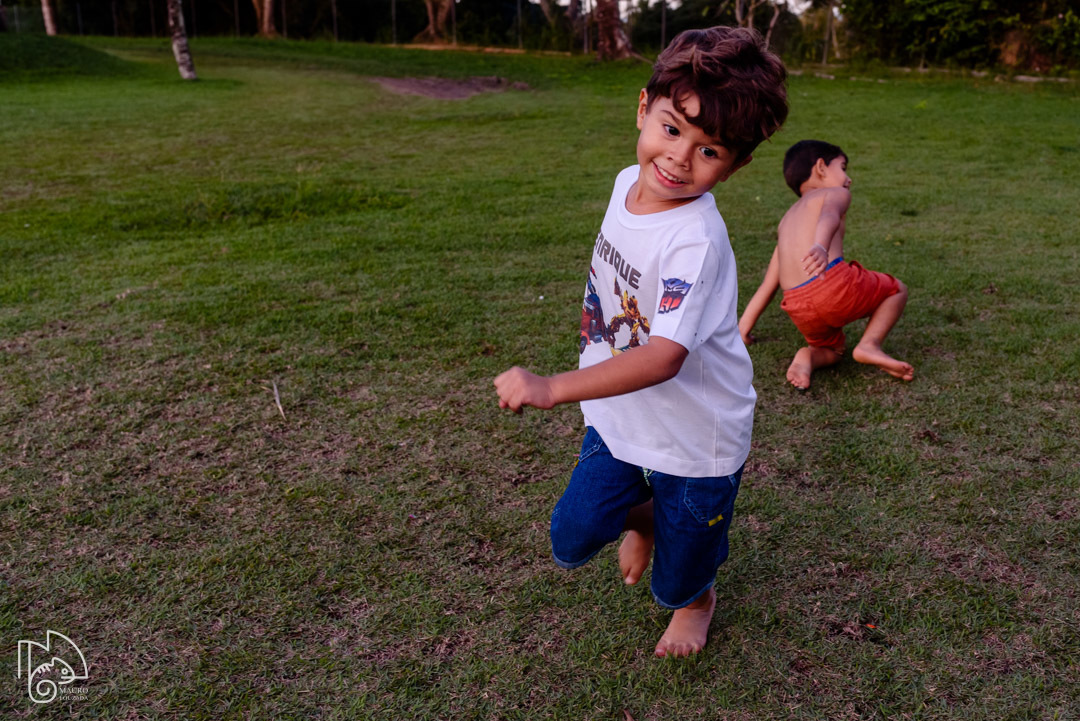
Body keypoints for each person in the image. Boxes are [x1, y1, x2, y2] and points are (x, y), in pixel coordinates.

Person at [493, 26, 788, 658]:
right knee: (574, 532)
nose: (680, 159)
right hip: (619, 413)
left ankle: (697, 599)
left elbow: (663, 356)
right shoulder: (628, 179)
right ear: (643, 108)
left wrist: (551, 389)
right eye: (673, 128)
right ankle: (647, 518)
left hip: (696, 435)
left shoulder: (696, 239)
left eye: (710, 151)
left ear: (737, 165)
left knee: (680, 572)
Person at [738, 140, 913, 389]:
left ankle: (806, 357)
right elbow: (829, 214)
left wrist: (743, 329)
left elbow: (769, 283)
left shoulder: (786, 221)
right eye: (843, 167)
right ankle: (869, 345)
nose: (848, 178)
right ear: (821, 167)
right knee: (896, 290)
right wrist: (821, 245)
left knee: (831, 350)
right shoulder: (835, 193)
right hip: (832, 284)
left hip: (798, 306)